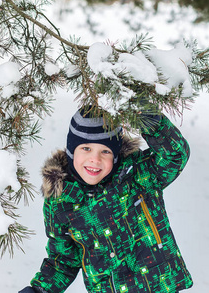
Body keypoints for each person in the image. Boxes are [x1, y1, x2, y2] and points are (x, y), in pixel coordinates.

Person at [20, 106, 193, 293]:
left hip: (160, 286)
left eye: (105, 151)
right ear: (71, 151)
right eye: (86, 148)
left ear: (116, 155)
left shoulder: (137, 176)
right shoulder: (61, 203)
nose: (95, 159)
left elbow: (175, 155)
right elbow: (63, 260)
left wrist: (148, 118)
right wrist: (39, 290)